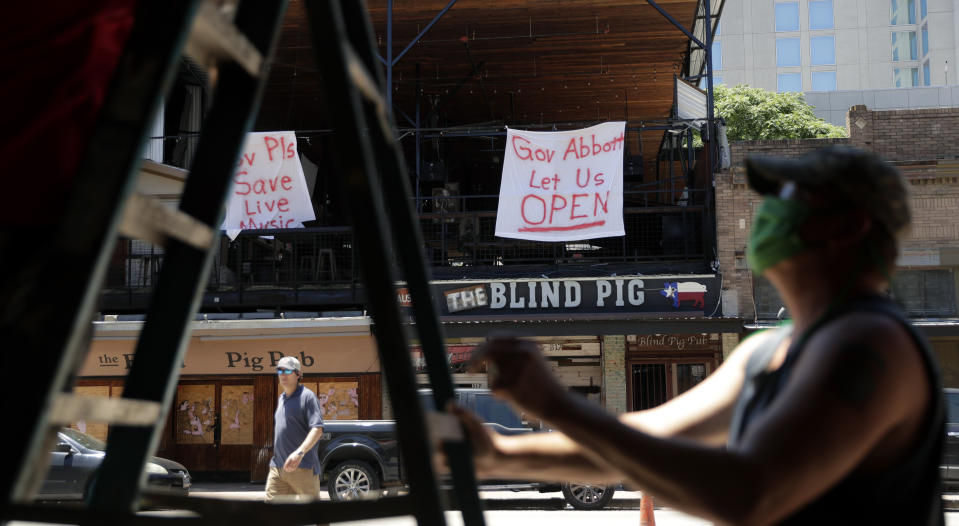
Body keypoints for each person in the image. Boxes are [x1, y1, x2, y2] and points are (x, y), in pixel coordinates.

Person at [450, 146, 945, 525]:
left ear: (849, 227)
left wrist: (557, 406)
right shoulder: (768, 351)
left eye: (792, 198)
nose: (771, 210)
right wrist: (498, 454)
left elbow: (751, 493)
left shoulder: (870, 344)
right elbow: (641, 439)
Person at [265, 356, 325, 503]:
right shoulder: (281, 399)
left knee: (316, 513)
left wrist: (299, 453)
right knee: (270, 512)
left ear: (298, 374)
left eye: (287, 370)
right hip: (278, 468)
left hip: (303, 468)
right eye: (280, 370)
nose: (283, 374)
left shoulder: (307, 397)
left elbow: (317, 429)